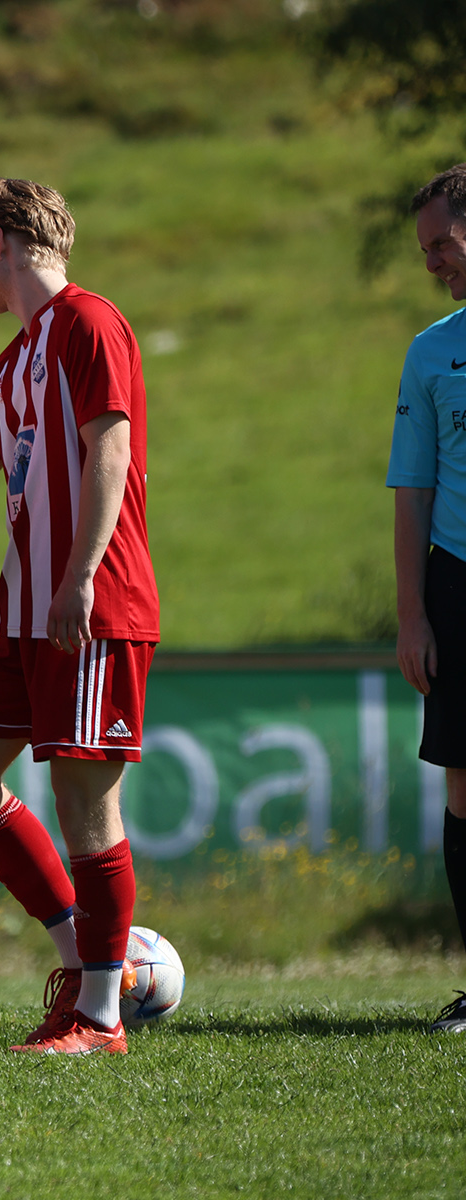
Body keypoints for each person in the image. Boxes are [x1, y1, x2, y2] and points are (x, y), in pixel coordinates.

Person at [0, 177, 158, 1056]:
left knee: (86, 800)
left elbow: (111, 447)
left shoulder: (90, 323)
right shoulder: (14, 357)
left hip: (86, 608)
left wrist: (81, 576)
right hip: (21, 616)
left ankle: (100, 1017)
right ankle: (83, 962)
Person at [392, 166, 466, 1035]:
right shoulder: (430, 351)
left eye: (441, 243)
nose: (432, 263)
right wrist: (413, 613)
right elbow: (411, 489)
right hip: (457, 586)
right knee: (464, 788)